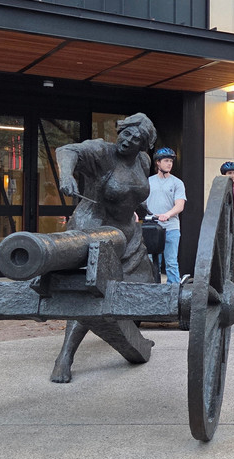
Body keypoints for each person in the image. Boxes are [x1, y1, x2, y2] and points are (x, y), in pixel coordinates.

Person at [51, 113, 159, 383]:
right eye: (126, 133)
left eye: (136, 139)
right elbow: (67, 150)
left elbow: (131, 190)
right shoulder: (102, 152)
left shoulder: (143, 161)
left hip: (127, 233)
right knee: (91, 294)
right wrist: (66, 175)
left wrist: (140, 204)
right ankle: (65, 355)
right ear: (120, 131)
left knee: (141, 284)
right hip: (95, 229)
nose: (128, 140)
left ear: (143, 145)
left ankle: (133, 337)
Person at [146, 147, 187, 284]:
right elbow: (139, 201)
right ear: (158, 162)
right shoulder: (148, 182)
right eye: (166, 161)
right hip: (152, 228)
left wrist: (167, 214)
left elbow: (180, 205)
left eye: (171, 161)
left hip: (171, 227)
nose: (169, 164)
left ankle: (174, 289)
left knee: (171, 262)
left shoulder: (177, 183)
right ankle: (152, 288)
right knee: (152, 262)